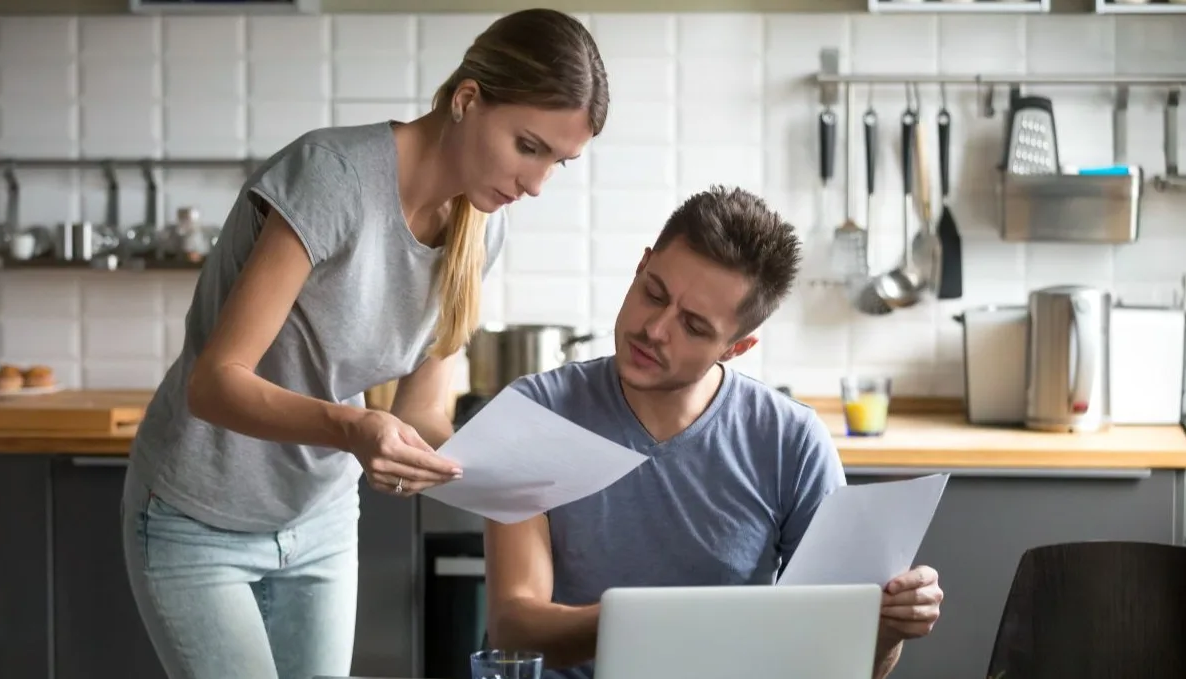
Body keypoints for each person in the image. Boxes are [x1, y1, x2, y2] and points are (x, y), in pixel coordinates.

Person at [119, 9, 608, 679]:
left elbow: (420, 412)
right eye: (529, 145)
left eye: (559, 161)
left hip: (318, 518)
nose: (536, 182)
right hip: (199, 515)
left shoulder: (481, 230)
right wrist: (355, 428)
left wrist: (515, 472)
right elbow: (215, 381)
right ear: (467, 99)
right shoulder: (332, 177)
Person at [483, 185, 943, 679]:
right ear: (641, 266)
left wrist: (887, 627)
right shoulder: (537, 412)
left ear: (736, 348)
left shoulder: (793, 441)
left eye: (695, 327)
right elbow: (515, 626)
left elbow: (839, 662)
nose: (655, 329)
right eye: (653, 294)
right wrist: (660, 621)